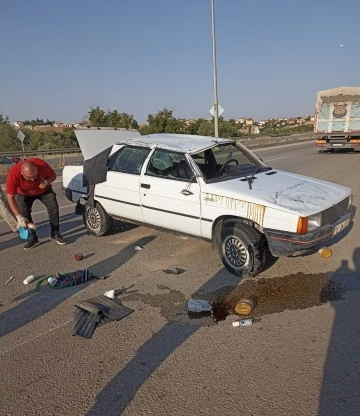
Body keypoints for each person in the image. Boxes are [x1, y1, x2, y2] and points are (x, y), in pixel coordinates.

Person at [6, 158, 67, 249]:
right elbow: (10, 197)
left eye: (34, 175)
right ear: (21, 173)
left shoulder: (42, 165)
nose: (32, 179)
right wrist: (18, 217)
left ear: (37, 169)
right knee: (24, 213)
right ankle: (33, 237)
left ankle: (55, 233)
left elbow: (53, 176)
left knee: (53, 207)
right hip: (24, 193)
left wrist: (47, 182)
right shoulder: (13, 174)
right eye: (29, 177)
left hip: (44, 190)